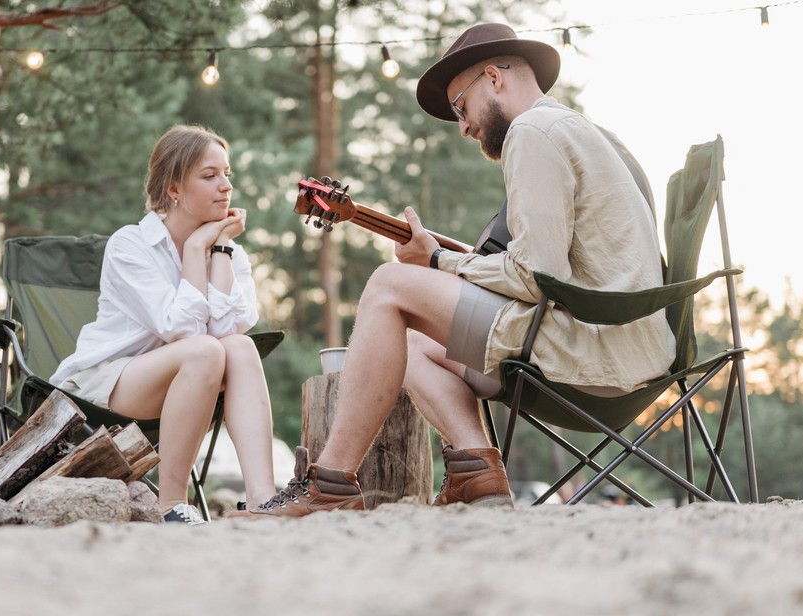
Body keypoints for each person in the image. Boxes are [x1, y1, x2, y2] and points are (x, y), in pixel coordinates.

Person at [254, 23, 676, 517]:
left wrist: (436, 260)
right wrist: (452, 263)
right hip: (627, 347)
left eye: (460, 107)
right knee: (410, 342)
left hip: (593, 352)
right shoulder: (580, 131)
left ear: (494, 77)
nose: (464, 127)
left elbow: (537, 277)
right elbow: (552, 267)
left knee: (390, 285)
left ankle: (329, 484)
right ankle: (477, 471)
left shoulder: (532, 132)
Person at [50, 125, 277, 525]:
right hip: (109, 384)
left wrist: (218, 249)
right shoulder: (130, 245)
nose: (225, 186)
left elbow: (228, 332)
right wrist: (194, 249)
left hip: (190, 379)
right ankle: (172, 505)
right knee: (204, 349)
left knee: (240, 348)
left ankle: (264, 499)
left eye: (227, 174)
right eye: (210, 176)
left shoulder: (230, 251)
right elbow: (184, 332)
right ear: (173, 189)